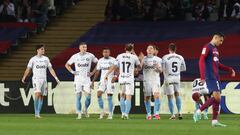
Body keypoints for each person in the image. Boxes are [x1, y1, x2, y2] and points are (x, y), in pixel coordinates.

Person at [193, 32, 236, 127]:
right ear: (215, 38)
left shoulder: (215, 49)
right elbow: (201, 60)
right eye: (220, 40)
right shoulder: (207, 47)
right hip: (210, 76)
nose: (221, 43)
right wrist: (202, 76)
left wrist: (229, 69)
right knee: (217, 97)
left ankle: (214, 121)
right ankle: (199, 111)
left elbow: (218, 64)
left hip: (216, 77)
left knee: (217, 99)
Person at [21, 44, 60, 118]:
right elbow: (28, 69)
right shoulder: (33, 59)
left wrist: (56, 78)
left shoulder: (46, 59)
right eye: (42, 49)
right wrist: (24, 77)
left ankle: (38, 113)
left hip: (44, 79)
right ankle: (36, 113)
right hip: (36, 79)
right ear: (38, 50)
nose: (43, 50)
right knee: (37, 94)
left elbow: (50, 69)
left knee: (41, 96)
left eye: (43, 49)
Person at [105, 43, 141, 120]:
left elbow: (114, 66)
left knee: (122, 95)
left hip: (122, 78)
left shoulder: (119, 56)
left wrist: (107, 74)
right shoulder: (134, 57)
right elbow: (139, 67)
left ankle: (122, 113)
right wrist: (136, 69)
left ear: (125, 48)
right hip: (129, 79)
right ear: (131, 49)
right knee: (128, 97)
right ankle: (126, 114)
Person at [65, 42, 98, 119]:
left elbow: (98, 63)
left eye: (86, 47)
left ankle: (85, 109)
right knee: (78, 97)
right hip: (78, 80)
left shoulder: (90, 55)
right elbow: (67, 65)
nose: (85, 49)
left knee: (89, 98)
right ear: (79, 48)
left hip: (87, 79)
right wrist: (73, 72)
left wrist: (92, 72)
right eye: (83, 47)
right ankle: (79, 113)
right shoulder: (75, 56)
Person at [162, 43, 186, 120]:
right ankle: (180, 112)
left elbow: (163, 69)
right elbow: (184, 68)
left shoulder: (165, 57)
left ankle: (172, 115)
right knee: (177, 94)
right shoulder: (180, 57)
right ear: (176, 49)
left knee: (170, 96)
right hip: (177, 77)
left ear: (169, 49)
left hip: (169, 77)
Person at [92, 47, 116, 120]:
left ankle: (110, 114)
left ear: (109, 53)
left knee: (109, 97)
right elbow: (97, 71)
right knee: (98, 94)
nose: (106, 53)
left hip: (110, 80)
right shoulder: (100, 60)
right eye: (104, 52)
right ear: (102, 53)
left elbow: (117, 69)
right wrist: (93, 81)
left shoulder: (113, 60)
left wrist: (115, 76)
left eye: (107, 52)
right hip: (102, 80)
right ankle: (102, 112)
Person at [139, 45, 162, 120]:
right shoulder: (144, 59)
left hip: (155, 80)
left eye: (151, 48)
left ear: (154, 50)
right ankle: (148, 114)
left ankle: (156, 113)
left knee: (156, 96)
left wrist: (157, 68)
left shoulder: (158, 59)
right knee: (147, 97)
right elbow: (139, 68)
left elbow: (161, 71)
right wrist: (141, 60)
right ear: (146, 50)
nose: (150, 50)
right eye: (148, 48)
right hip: (146, 81)